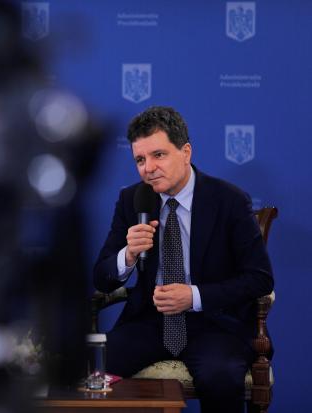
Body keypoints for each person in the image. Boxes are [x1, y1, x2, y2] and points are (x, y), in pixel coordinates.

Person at [93, 106, 273, 413]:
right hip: (149, 322)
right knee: (92, 370)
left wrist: (194, 296)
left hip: (215, 324)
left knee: (221, 376)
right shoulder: (132, 200)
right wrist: (128, 255)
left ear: (185, 152)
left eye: (158, 155)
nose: (148, 168)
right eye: (140, 159)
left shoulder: (229, 200)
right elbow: (102, 277)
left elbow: (260, 278)